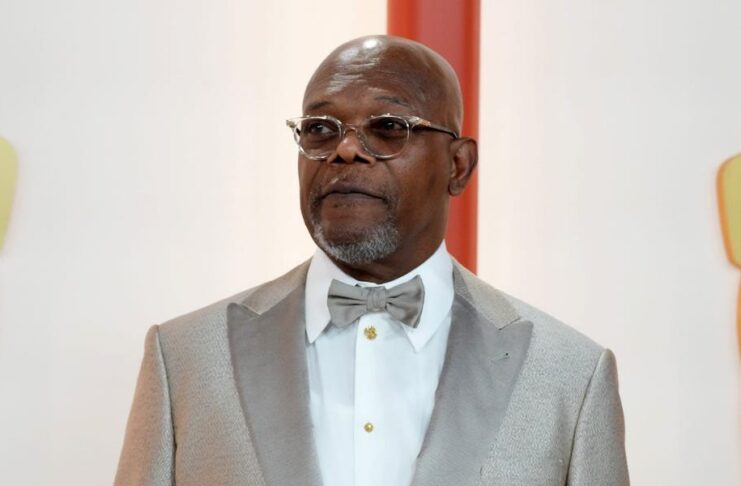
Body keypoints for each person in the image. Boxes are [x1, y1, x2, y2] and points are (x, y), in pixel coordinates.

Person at [115, 35, 629, 486]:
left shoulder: (570, 377)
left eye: (387, 127)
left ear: (459, 166)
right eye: (320, 128)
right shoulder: (183, 359)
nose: (345, 150)